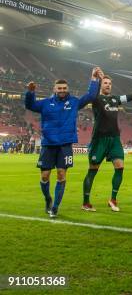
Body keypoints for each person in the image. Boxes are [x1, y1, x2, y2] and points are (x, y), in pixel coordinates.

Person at [24, 68, 101, 218]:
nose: (62, 90)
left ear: (68, 89)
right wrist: (30, 93)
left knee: (61, 174)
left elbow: (91, 95)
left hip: (65, 145)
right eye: (59, 88)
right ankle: (48, 199)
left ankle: (55, 207)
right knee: (45, 176)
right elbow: (30, 105)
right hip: (48, 144)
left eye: (64, 88)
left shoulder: (74, 102)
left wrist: (93, 78)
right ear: (54, 89)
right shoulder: (45, 103)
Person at [82, 71, 132, 212]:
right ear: (101, 85)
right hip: (99, 140)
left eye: (110, 84)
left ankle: (113, 200)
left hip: (114, 139)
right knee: (93, 170)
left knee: (120, 167)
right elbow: (91, 93)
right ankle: (86, 202)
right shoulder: (96, 99)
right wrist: (94, 78)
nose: (108, 85)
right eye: (105, 83)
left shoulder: (116, 99)